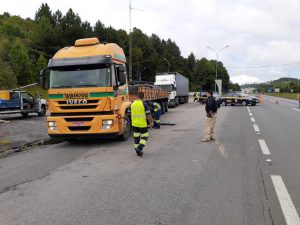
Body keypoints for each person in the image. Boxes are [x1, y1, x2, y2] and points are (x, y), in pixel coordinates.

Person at [130, 92, 153, 157]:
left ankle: (137, 150)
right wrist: (151, 123)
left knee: (136, 137)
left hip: (134, 124)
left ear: (137, 96)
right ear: (143, 97)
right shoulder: (144, 104)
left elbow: (129, 113)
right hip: (142, 124)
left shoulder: (132, 104)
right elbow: (148, 115)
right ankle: (139, 148)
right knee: (145, 136)